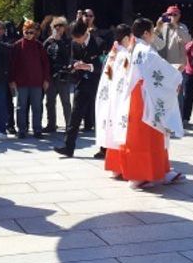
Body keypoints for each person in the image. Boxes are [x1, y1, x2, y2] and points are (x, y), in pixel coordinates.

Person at [103, 18, 185, 188]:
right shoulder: (144, 50)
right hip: (144, 99)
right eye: (153, 31)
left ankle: (155, 172)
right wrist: (176, 73)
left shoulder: (134, 48)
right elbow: (161, 71)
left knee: (143, 137)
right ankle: (142, 175)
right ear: (146, 33)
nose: (154, 34)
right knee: (148, 137)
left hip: (136, 96)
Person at [54, 21, 104, 157]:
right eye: (74, 39)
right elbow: (71, 59)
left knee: (99, 116)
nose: (75, 41)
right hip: (81, 82)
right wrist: (75, 64)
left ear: (85, 33)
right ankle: (68, 147)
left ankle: (105, 149)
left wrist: (89, 66)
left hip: (98, 84)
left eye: (78, 38)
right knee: (75, 115)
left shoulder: (99, 42)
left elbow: (104, 63)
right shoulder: (74, 43)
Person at [9, 19, 50, 138]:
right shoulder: (17, 45)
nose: (29, 35)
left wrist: (46, 79)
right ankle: (21, 130)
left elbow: (45, 64)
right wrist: (11, 80)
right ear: (23, 31)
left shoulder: (39, 46)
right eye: (26, 32)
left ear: (35, 33)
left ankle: (37, 129)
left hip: (37, 82)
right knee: (21, 107)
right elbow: (12, 64)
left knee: (37, 107)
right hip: (21, 83)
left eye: (31, 32)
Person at [95, 23, 131, 155]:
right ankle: (111, 149)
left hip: (108, 89)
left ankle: (105, 148)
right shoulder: (125, 54)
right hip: (117, 92)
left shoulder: (113, 51)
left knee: (107, 116)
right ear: (127, 38)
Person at [43, 16, 73, 133]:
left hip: (63, 75)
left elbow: (67, 57)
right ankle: (51, 124)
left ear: (64, 28)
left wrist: (59, 41)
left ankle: (69, 126)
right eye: (55, 26)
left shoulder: (68, 41)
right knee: (50, 102)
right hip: (51, 76)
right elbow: (42, 52)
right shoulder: (49, 41)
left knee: (65, 102)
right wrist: (48, 40)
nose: (58, 28)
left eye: (60, 26)